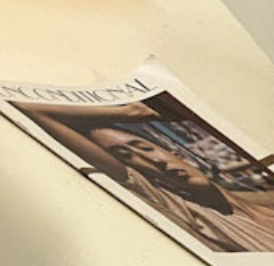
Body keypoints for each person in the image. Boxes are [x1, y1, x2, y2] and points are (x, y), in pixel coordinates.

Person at [26, 102, 274, 255]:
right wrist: (129, 112)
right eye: (126, 156)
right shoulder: (173, 203)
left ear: (176, 153)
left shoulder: (261, 199)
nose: (154, 161)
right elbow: (32, 110)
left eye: (145, 148)